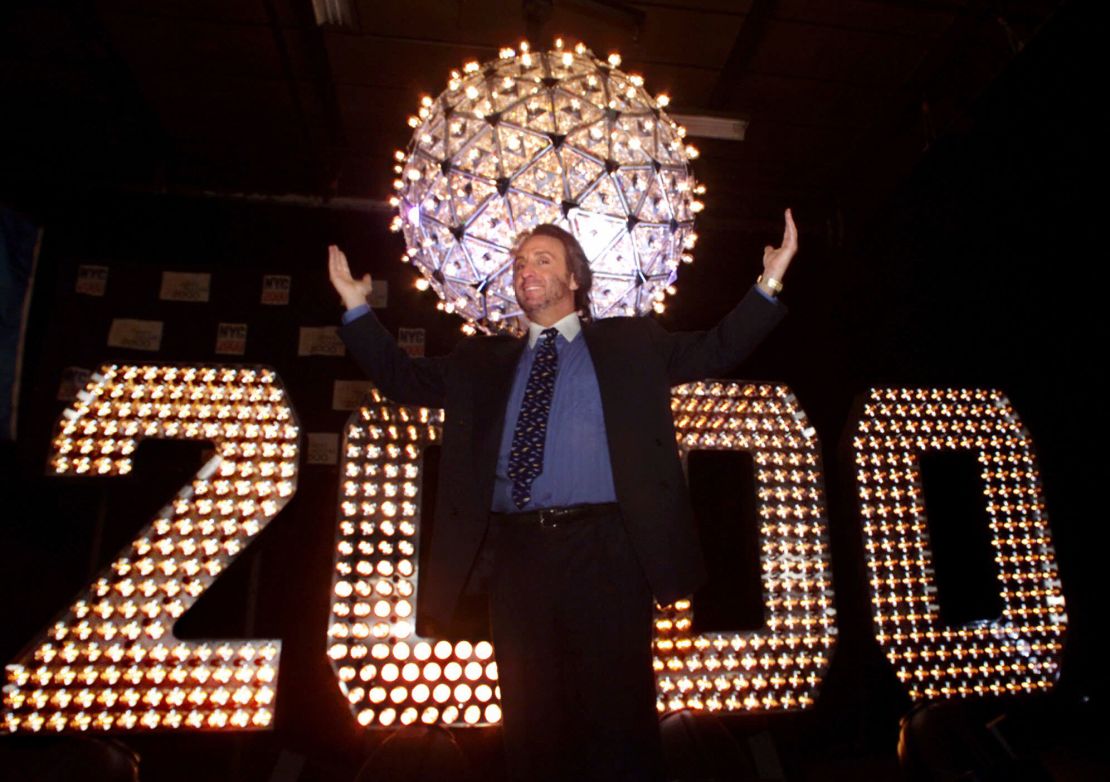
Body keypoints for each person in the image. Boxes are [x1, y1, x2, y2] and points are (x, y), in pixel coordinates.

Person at [328, 210, 798, 781]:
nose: (526, 270)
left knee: (617, 715)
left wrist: (769, 281)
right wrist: (356, 306)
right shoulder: (481, 359)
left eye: (542, 260)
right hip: (517, 556)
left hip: (608, 549)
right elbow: (403, 379)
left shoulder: (631, 342)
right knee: (531, 719)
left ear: (575, 279)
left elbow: (718, 348)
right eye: (520, 263)